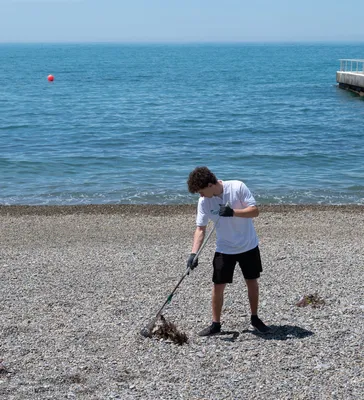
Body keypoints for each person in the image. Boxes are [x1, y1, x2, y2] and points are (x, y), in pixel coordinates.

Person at [186, 166, 270, 336]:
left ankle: (255, 318)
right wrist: (193, 254)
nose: (201, 196)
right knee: (218, 286)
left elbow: (255, 211)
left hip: (248, 245)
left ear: (210, 184)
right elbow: (200, 229)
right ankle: (215, 324)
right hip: (224, 248)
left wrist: (233, 212)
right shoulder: (204, 201)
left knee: (251, 282)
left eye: (201, 191)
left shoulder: (237, 187)